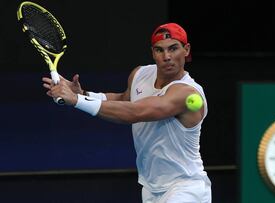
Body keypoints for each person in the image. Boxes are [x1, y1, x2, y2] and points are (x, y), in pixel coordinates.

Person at [42, 22, 211, 203]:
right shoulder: (140, 74)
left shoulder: (187, 92)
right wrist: (83, 94)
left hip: (186, 187)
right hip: (150, 188)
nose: (167, 56)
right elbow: (124, 100)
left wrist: (76, 101)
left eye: (173, 49)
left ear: (186, 50)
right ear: (153, 53)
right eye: (159, 50)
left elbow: (135, 112)